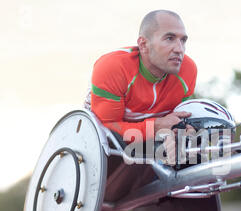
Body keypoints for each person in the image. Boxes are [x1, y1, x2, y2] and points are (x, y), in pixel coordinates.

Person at [84, 10, 196, 163]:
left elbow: (175, 122)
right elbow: (106, 129)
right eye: (169, 38)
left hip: (149, 147)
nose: (179, 49)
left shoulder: (188, 70)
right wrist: (154, 127)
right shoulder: (113, 67)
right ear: (143, 44)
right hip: (104, 150)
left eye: (183, 40)